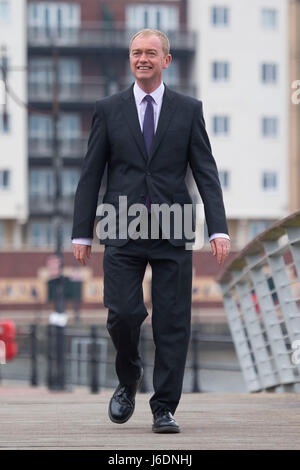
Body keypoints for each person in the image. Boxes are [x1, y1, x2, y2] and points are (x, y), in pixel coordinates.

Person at [72, 29, 230, 434]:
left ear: (166, 61)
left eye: (151, 53)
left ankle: (164, 408)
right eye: (136, 52)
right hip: (120, 226)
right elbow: (92, 173)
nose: (143, 58)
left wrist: (218, 229)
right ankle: (128, 379)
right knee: (123, 313)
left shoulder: (188, 109)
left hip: (173, 228)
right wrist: (81, 233)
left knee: (173, 320)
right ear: (130, 59)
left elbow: (206, 172)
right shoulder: (108, 109)